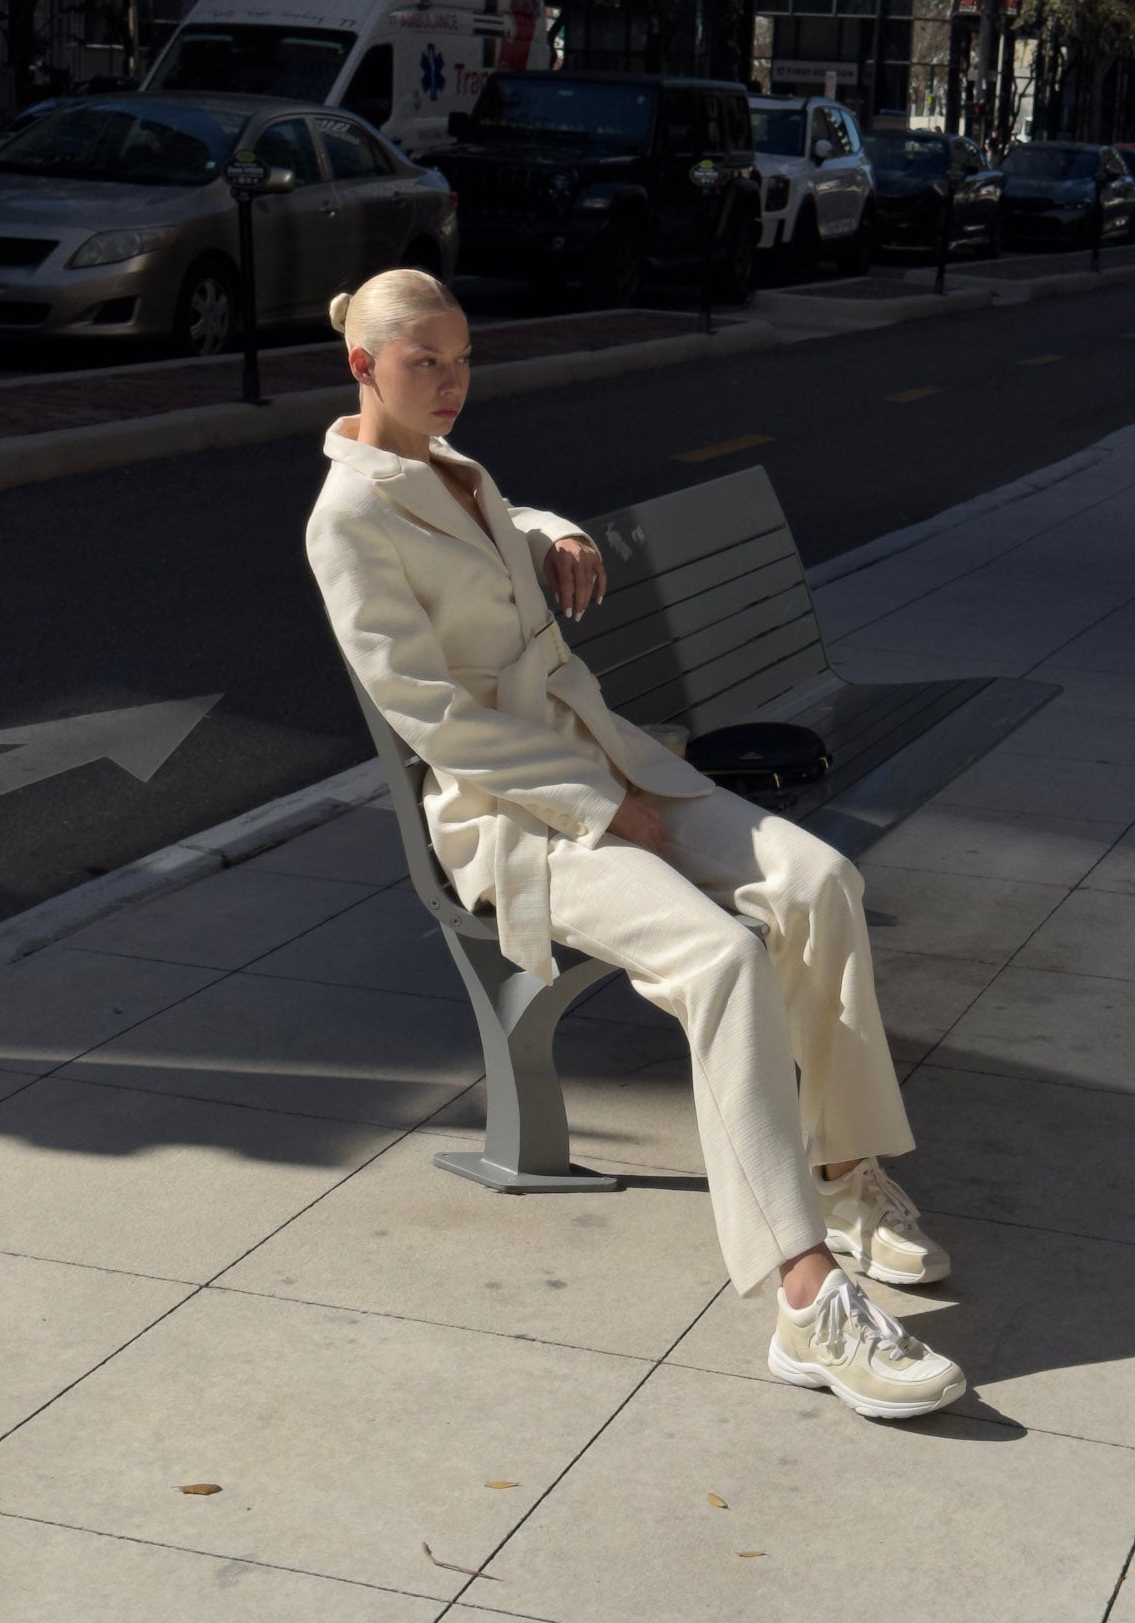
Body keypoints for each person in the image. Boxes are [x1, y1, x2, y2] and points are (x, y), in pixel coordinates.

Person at [306, 269, 967, 1422]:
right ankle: (805, 1297)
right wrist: (599, 807)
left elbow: (493, 527)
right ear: (363, 365)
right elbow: (434, 717)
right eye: (425, 363)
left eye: (463, 359)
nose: (452, 382)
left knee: (819, 879)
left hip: (608, 756)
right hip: (513, 815)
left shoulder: (450, 466)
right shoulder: (347, 517)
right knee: (723, 958)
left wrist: (550, 526)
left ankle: (839, 1171)